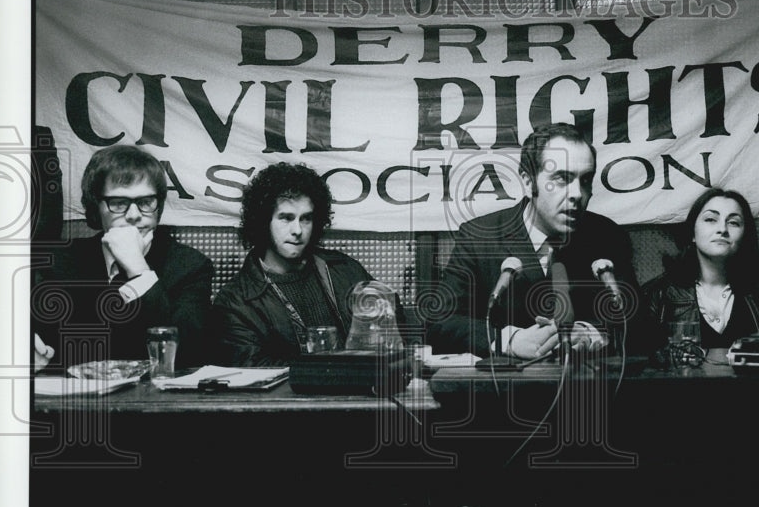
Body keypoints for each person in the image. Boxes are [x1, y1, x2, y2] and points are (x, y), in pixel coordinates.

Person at [426, 123, 641, 359]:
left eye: (586, 180)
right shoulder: (479, 236)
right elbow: (440, 323)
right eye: (562, 179)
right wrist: (508, 340)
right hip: (505, 391)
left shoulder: (606, 235)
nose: (577, 194)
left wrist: (591, 335)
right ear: (528, 182)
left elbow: (643, 323)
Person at [32, 145, 213, 371]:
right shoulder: (59, 263)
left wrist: (139, 271)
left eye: (146, 202)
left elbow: (189, 355)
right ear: (95, 207)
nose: (134, 215)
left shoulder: (190, 266)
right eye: (118, 203)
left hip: (153, 400)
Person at [213, 162, 404, 366]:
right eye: (286, 218)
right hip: (292, 397)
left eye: (306, 219)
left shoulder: (344, 269)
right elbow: (255, 369)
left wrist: (385, 321)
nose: (297, 230)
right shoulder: (236, 301)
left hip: (360, 393)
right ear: (262, 222)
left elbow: (397, 334)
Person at [643, 187, 759, 350]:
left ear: (745, 236)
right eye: (710, 219)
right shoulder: (657, 293)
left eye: (734, 223)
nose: (722, 229)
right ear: (692, 234)